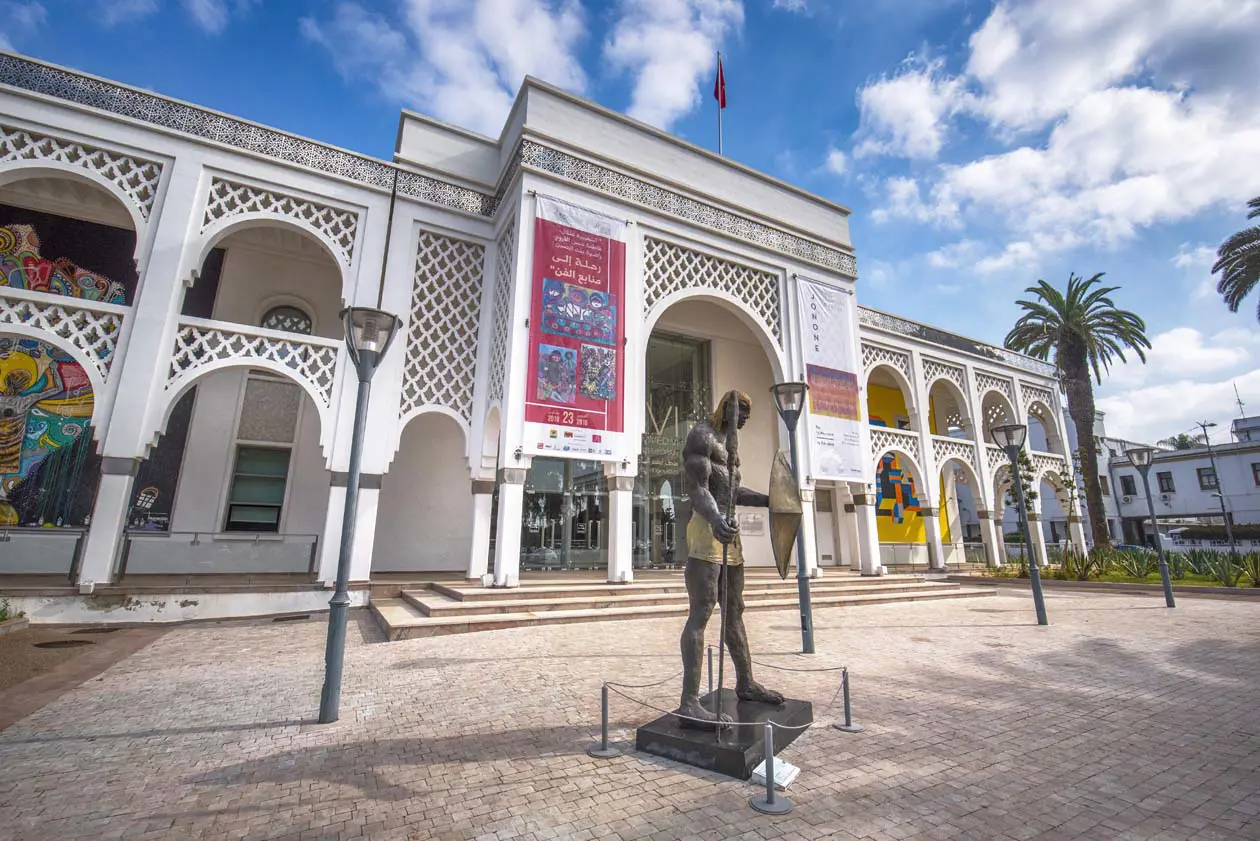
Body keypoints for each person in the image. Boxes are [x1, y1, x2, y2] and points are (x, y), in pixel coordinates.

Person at [675, 389, 783, 728]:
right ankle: (690, 701)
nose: (746, 420)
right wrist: (716, 519)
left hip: (729, 530)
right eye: (743, 413)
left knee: (734, 611)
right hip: (707, 528)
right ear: (729, 409)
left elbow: (734, 493)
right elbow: (697, 488)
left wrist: (772, 501)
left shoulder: (730, 450)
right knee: (702, 611)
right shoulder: (702, 437)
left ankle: (746, 682)